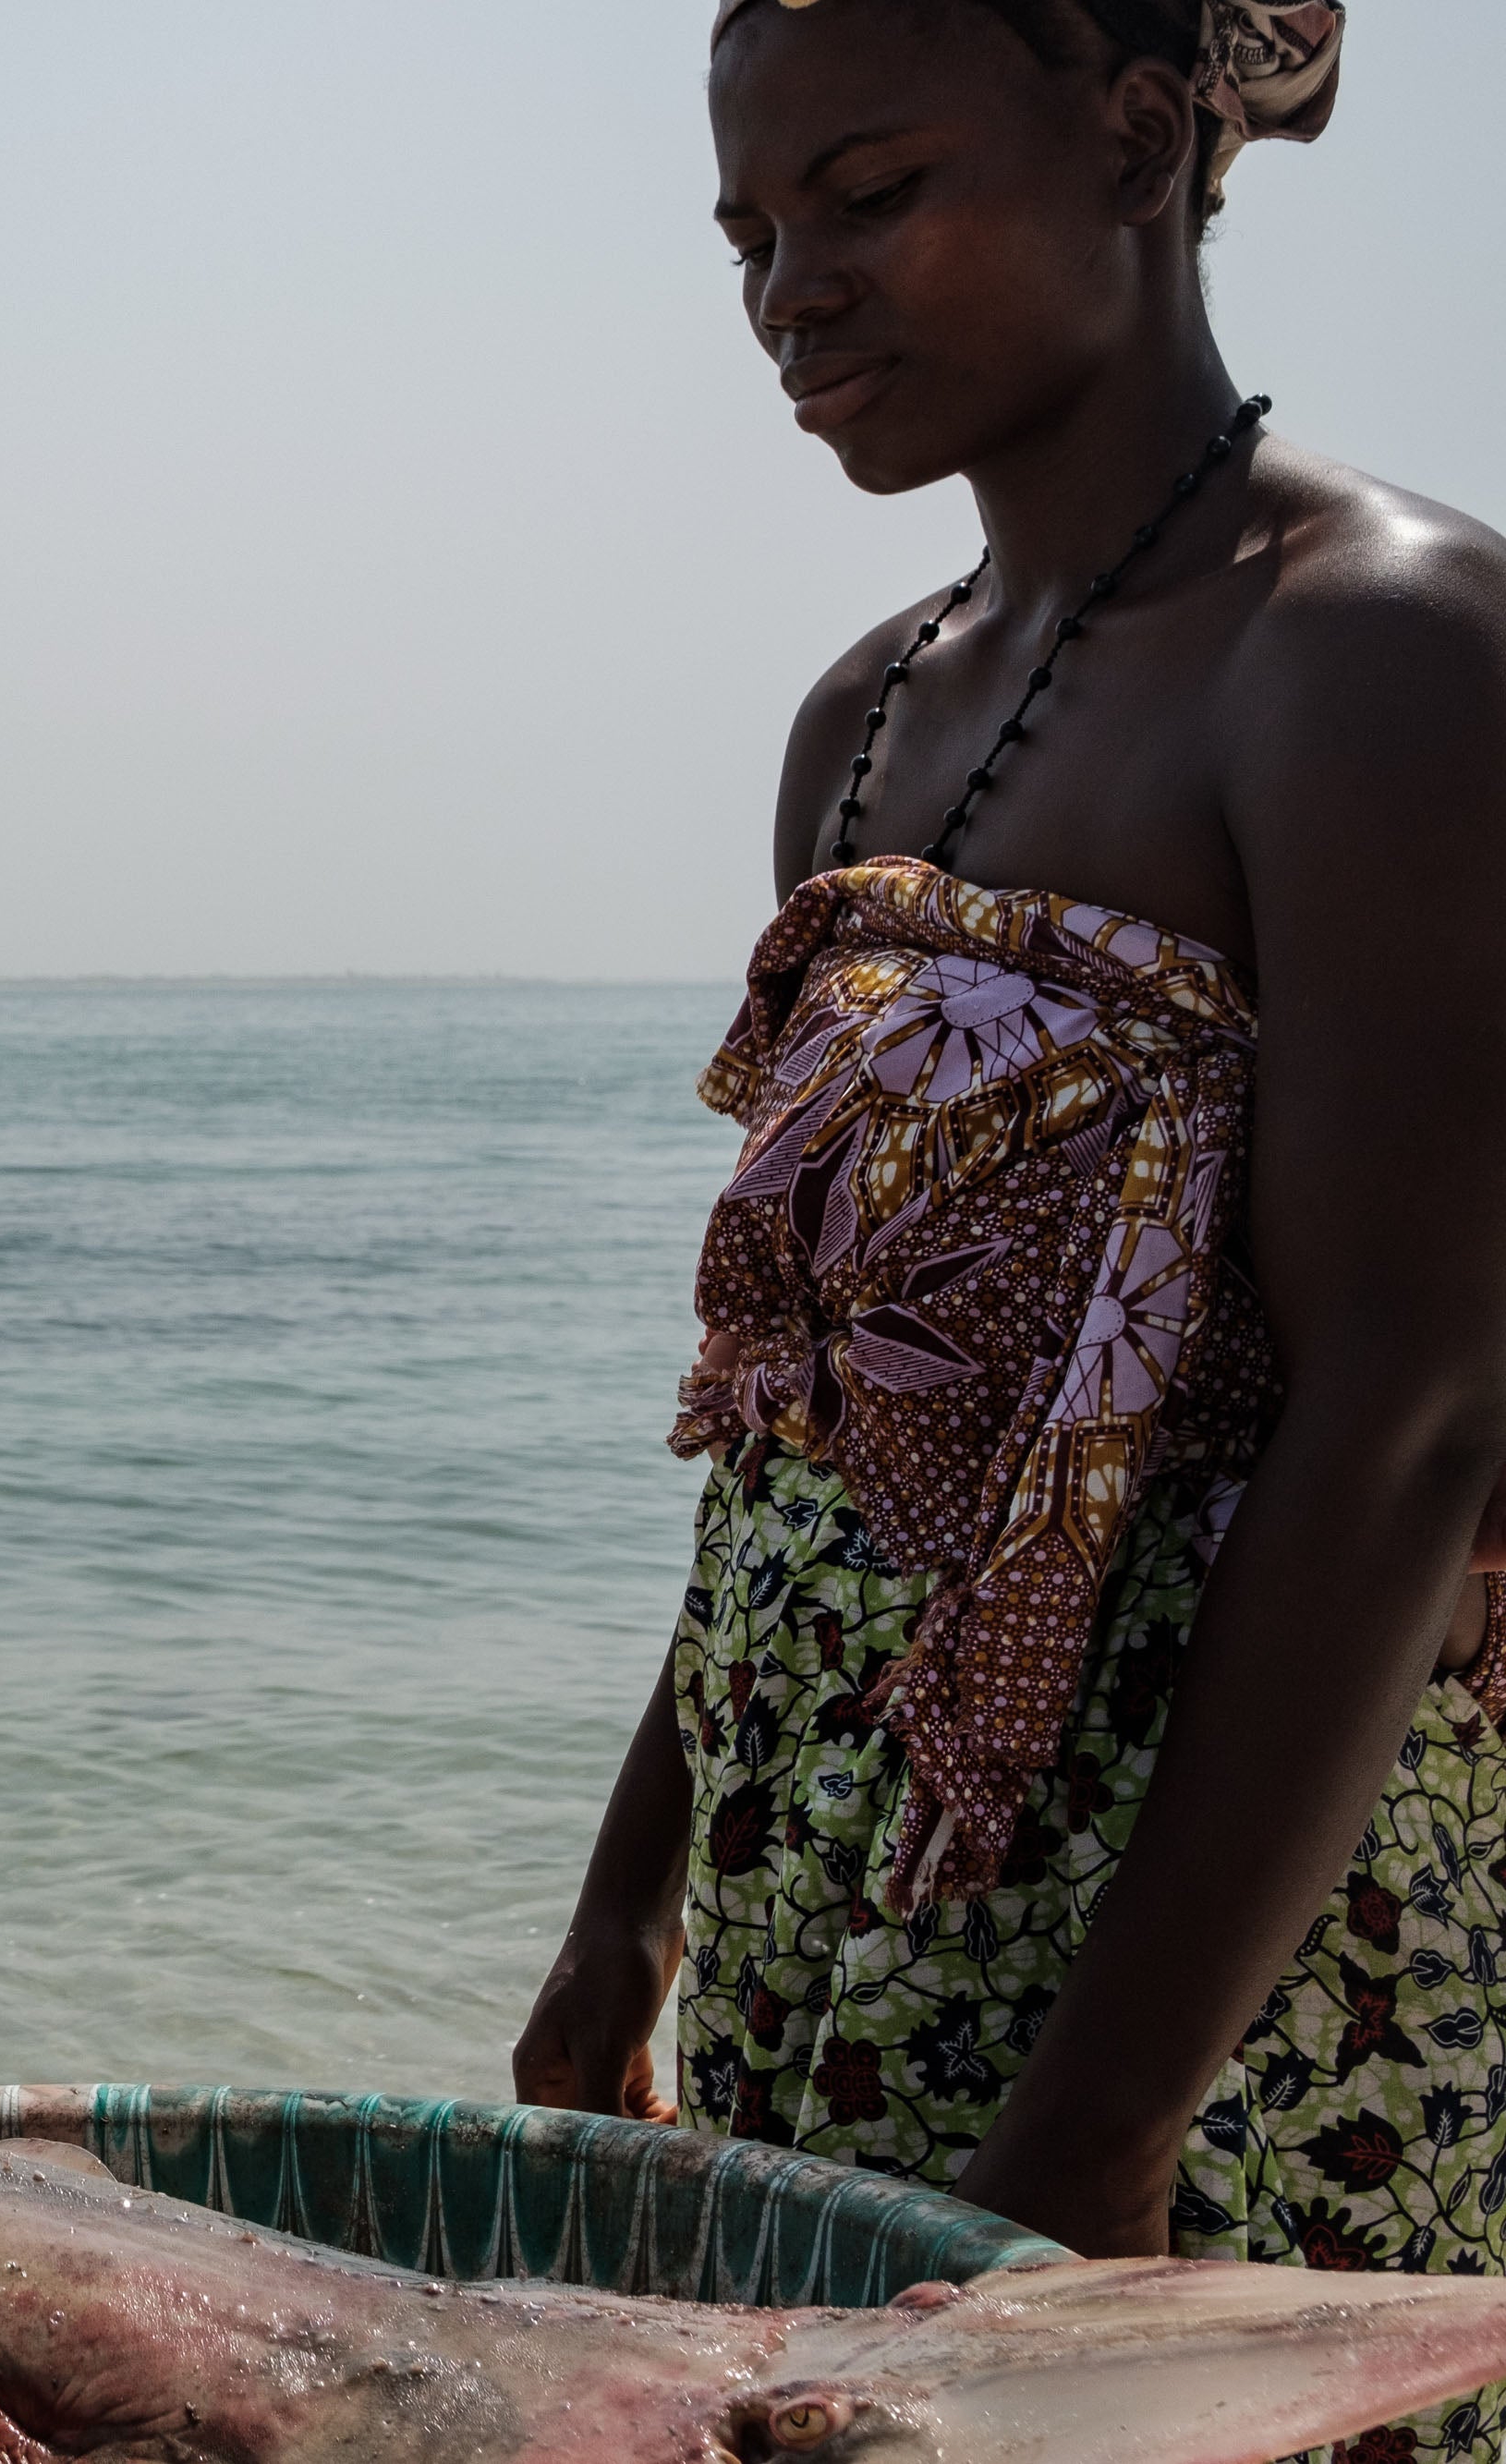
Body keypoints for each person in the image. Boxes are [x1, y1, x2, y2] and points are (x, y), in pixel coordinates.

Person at [516, 2, 1506, 2453]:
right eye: (752, 233)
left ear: (1143, 134)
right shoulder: (865, 716)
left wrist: (1106, 2112)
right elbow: (804, 1415)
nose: (788, 293)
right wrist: (623, 1908)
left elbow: (1418, 1405)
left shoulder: (1380, 652)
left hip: (1236, 1974)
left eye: (867, 194)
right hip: (824, 1930)